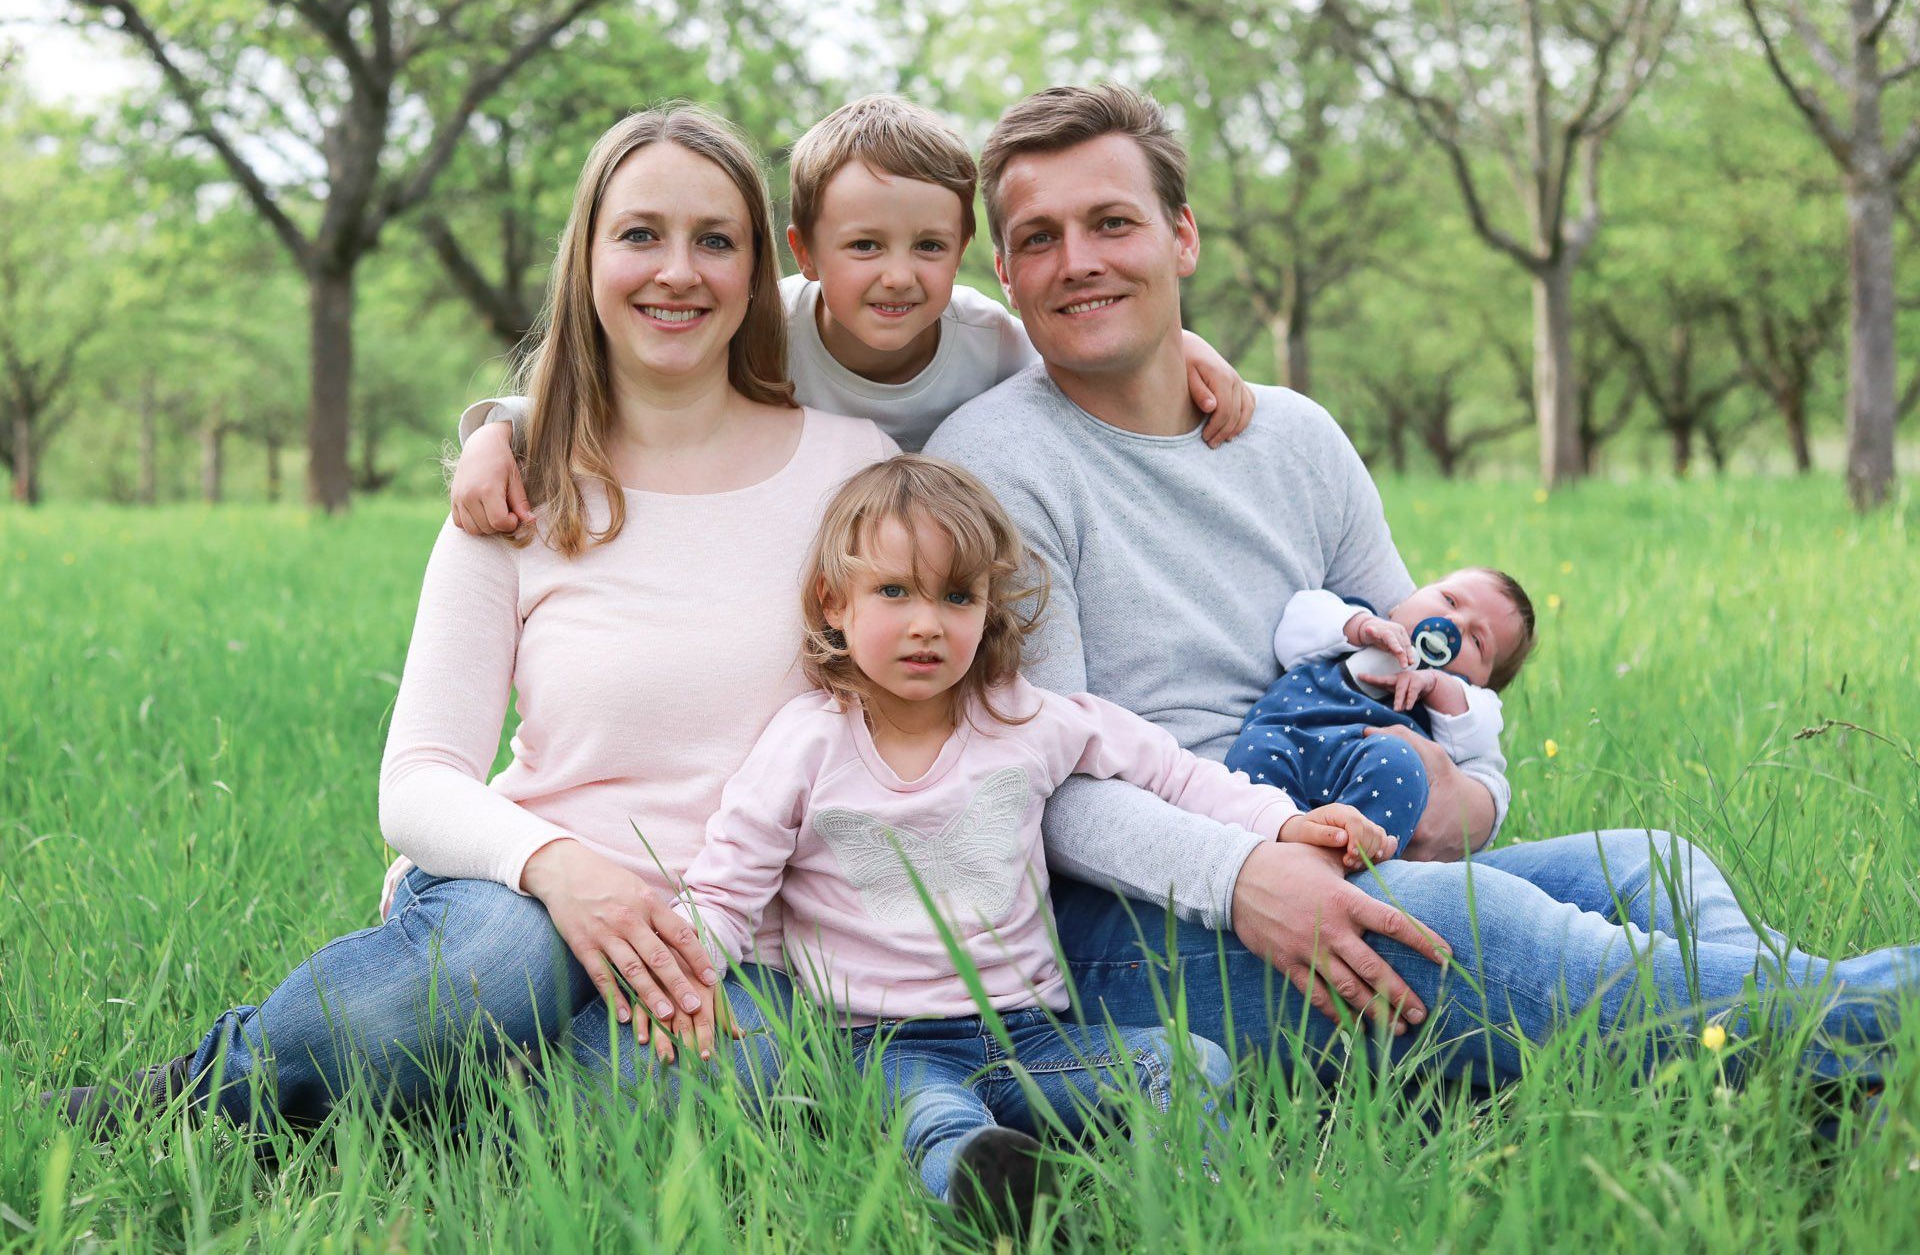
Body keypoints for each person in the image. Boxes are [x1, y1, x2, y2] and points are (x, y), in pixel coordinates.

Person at [923, 82, 1916, 1080]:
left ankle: (1810, 1065)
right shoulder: (996, 466)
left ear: (1181, 236)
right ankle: (1872, 1020)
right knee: (1469, 925)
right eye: (1040, 238)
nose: (1079, 260)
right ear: (1004, 273)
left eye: (1112, 222)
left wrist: (1470, 801)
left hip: (1347, 848)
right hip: (1135, 916)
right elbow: (1043, 784)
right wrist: (1244, 873)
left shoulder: (1296, 437)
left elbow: (1428, 678)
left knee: (1650, 863)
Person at [47, 104, 893, 1135]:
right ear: (587, 259)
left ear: (759, 269)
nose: (678, 271)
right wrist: (560, 868)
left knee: (714, 1078)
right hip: (525, 903)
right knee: (488, 969)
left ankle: (439, 1115)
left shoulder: (852, 469)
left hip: (738, 940)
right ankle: (208, 1088)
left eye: (715, 240)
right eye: (640, 234)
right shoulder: (518, 488)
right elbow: (418, 778)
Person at [672, 455, 1365, 1217]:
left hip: (1033, 1036)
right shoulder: (808, 743)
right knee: (938, 1121)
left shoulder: (1022, 717)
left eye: (957, 596)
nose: (927, 623)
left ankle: (1198, 1204)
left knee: (1186, 1060)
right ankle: (998, 1194)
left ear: (987, 609)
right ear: (834, 602)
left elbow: (1169, 769)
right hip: (884, 1045)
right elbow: (727, 889)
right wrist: (680, 971)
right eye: (894, 591)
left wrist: (1280, 820)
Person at [448, 95, 1252, 534]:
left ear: (964, 249)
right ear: (804, 252)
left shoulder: (992, 343)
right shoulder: (764, 328)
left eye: (928, 246)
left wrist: (1180, 344)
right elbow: (630, 390)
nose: (897, 276)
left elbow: (1089, 356)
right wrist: (498, 433)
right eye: (864, 246)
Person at [1226, 568, 1537, 859]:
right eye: (1450, 600)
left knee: (1399, 765)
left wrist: (1439, 686)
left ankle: (1346, 858)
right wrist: (1358, 626)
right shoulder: (1352, 626)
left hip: (1367, 770)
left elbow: (1481, 733)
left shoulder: (1461, 703)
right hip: (1289, 737)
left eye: (1478, 641)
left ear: (1482, 681)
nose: (1455, 623)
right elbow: (1294, 626)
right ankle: (1280, 849)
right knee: (1256, 750)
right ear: (1403, 603)